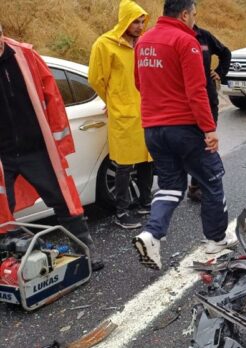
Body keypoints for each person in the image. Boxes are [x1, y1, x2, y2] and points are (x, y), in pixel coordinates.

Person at [132, 0, 234, 271]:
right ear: (185, 14)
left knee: (170, 186)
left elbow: (139, 84)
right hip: (185, 129)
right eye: (194, 15)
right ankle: (216, 239)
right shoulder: (185, 41)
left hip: (153, 130)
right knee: (212, 179)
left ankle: (152, 234)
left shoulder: (143, 42)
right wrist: (209, 129)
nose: (194, 20)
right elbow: (197, 91)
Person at [0, 24, 104, 271]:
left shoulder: (25, 56)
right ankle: (11, 271)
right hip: (2, 156)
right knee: (2, 217)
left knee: (66, 204)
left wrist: (58, 144)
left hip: (36, 149)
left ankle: (85, 252)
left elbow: (53, 98)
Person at [89, 0, 154, 230]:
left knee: (147, 159)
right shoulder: (105, 44)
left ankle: (146, 202)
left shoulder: (143, 43)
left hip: (146, 110)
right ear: (124, 20)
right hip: (123, 113)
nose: (138, 26)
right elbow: (96, 78)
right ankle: (122, 211)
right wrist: (112, 100)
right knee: (124, 165)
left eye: (141, 21)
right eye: (134, 21)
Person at [187, 24, 231, 202]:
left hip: (207, 97)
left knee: (205, 142)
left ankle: (196, 185)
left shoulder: (204, 36)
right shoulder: (176, 37)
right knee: (190, 142)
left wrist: (219, 72)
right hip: (186, 100)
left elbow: (225, 53)